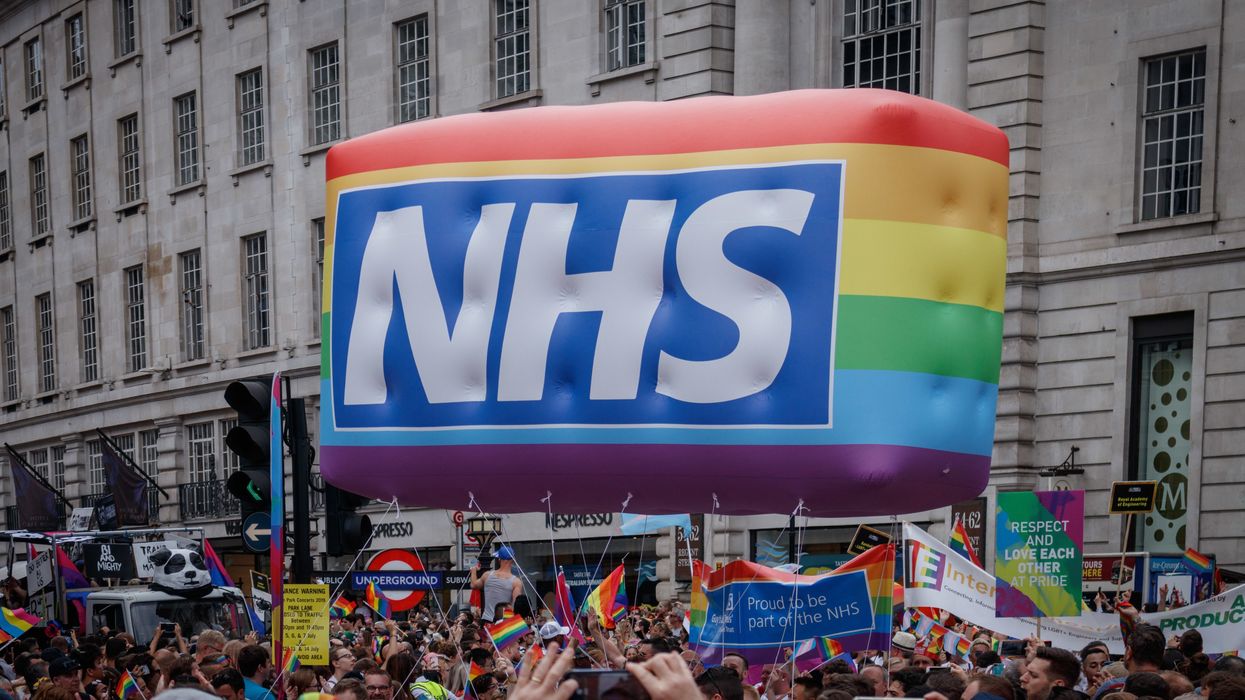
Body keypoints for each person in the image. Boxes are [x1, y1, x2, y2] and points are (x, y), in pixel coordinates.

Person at [470, 547, 523, 623]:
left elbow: (473, 585)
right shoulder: (516, 582)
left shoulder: (487, 575)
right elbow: (516, 605)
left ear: (499, 559)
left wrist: (473, 570)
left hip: (487, 621)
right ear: (513, 560)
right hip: (503, 622)